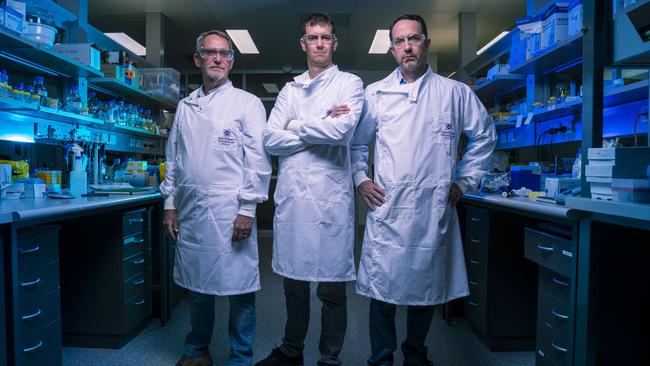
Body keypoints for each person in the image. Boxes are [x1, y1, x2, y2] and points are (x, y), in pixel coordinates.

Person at [351, 14, 497, 366]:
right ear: (391, 50)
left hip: (433, 208)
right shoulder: (376, 94)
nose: (407, 47)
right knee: (382, 292)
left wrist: (464, 181)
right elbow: (356, 145)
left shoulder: (454, 93)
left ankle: (416, 355)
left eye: (414, 39)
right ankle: (381, 358)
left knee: (425, 289)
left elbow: (485, 135)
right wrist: (361, 179)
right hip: (388, 207)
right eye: (400, 41)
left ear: (427, 43)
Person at [256, 12, 364, 366]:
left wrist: (296, 125)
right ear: (303, 43)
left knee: (332, 289)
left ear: (335, 42)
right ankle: (291, 352)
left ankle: (329, 359)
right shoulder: (290, 89)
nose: (320, 43)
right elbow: (271, 139)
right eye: (313, 37)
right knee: (294, 286)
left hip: (331, 201)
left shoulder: (350, 83)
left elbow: (342, 132)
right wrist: (318, 125)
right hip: (295, 201)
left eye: (326, 37)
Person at [160, 30, 272, 366]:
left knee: (239, 290)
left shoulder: (247, 104)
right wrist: (170, 204)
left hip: (230, 212)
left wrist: (248, 209)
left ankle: (240, 357)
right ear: (198, 59)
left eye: (224, 53)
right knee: (198, 287)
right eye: (210, 53)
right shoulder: (185, 106)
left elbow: (258, 161)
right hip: (192, 213)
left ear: (232, 61)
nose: (218, 59)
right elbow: (174, 158)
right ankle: (198, 350)